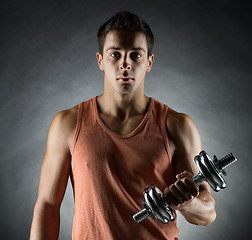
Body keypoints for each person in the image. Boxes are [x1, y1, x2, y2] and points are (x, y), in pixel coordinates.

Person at [29, 11, 216, 240]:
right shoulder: (68, 124)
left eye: (135, 55)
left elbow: (207, 213)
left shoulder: (178, 126)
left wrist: (189, 203)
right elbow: (48, 206)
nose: (125, 64)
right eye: (115, 55)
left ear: (149, 62)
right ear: (100, 61)